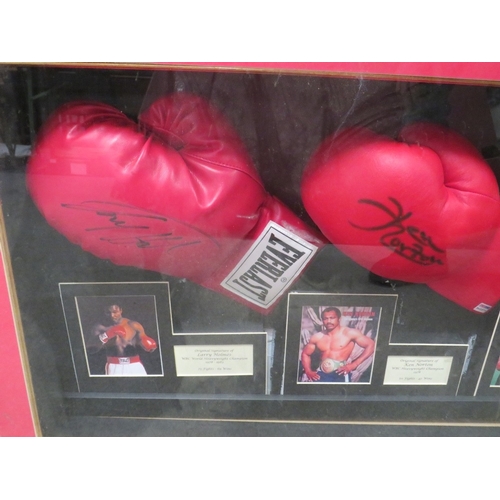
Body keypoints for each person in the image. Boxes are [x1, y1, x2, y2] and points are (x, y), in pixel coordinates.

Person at [300, 307, 375, 382]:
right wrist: (308, 371)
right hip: (321, 373)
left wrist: (354, 364)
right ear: (322, 320)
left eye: (332, 318)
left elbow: (371, 345)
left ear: (339, 319)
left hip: (340, 373)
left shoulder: (349, 333)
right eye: (325, 319)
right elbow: (305, 354)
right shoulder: (317, 337)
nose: (328, 321)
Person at [90, 304, 157, 376]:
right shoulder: (100, 327)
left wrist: (149, 345)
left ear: (121, 310)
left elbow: (144, 340)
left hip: (135, 364)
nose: (112, 315)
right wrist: (106, 335)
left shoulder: (133, 325)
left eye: (115, 312)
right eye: (108, 313)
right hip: (114, 365)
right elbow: (92, 350)